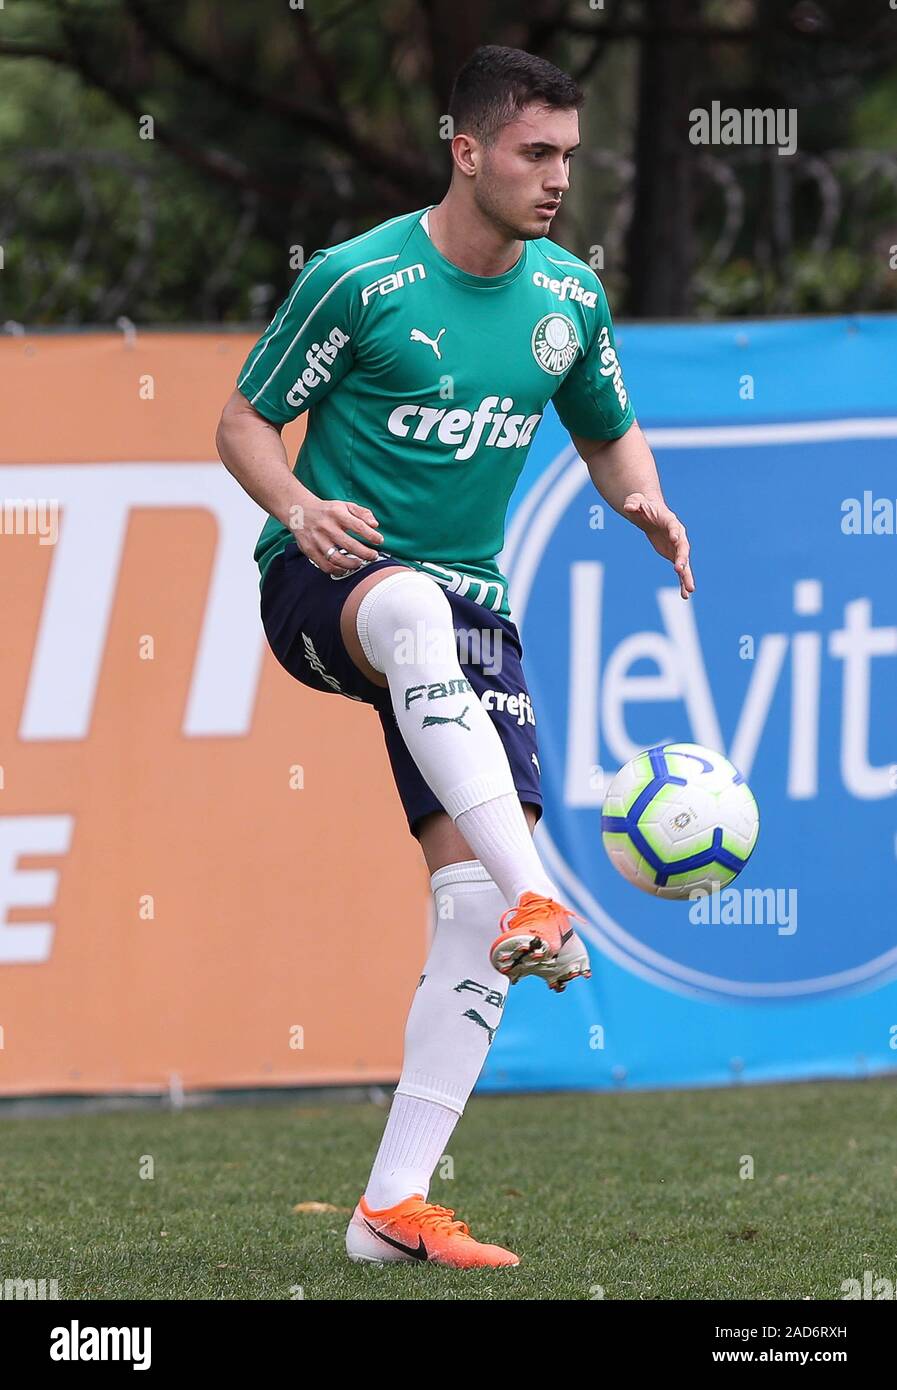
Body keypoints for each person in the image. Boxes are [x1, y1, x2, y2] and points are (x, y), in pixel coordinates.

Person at [216, 44, 693, 1270]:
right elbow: (241, 420)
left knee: (473, 902)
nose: (557, 181)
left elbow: (609, 435)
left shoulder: (566, 302)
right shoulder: (358, 280)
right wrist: (296, 503)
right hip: (326, 583)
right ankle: (545, 893)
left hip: (471, 612)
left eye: (570, 158)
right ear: (466, 149)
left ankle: (392, 1210)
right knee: (415, 612)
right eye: (535, 154)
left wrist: (640, 500)